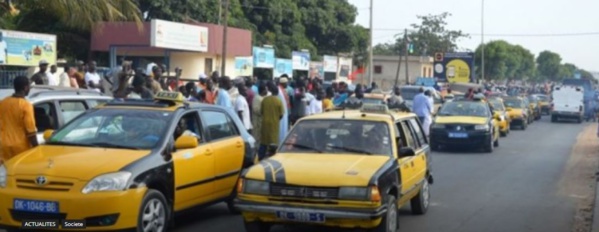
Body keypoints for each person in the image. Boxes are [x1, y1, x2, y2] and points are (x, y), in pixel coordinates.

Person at [0, 76, 38, 163]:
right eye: (29, 86)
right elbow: (31, 131)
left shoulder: (3, 103)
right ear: (25, 88)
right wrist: (37, 148)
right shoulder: (26, 105)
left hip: (3, 146)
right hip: (20, 147)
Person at [259, 82, 284, 160]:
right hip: (274, 124)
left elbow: (261, 112)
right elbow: (281, 114)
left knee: (263, 142)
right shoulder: (279, 101)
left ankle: (260, 157)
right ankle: (272, 157)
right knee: (273, 143)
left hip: (265, 124)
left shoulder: (265, 100)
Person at [252, 83, 267, 147]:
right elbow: (256, 110)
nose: (267, 91)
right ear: (263, 90)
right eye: (266, 90)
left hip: (261, 122)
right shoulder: (257, 98)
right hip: (257, 122)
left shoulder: (263, 97)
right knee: (257, 138)